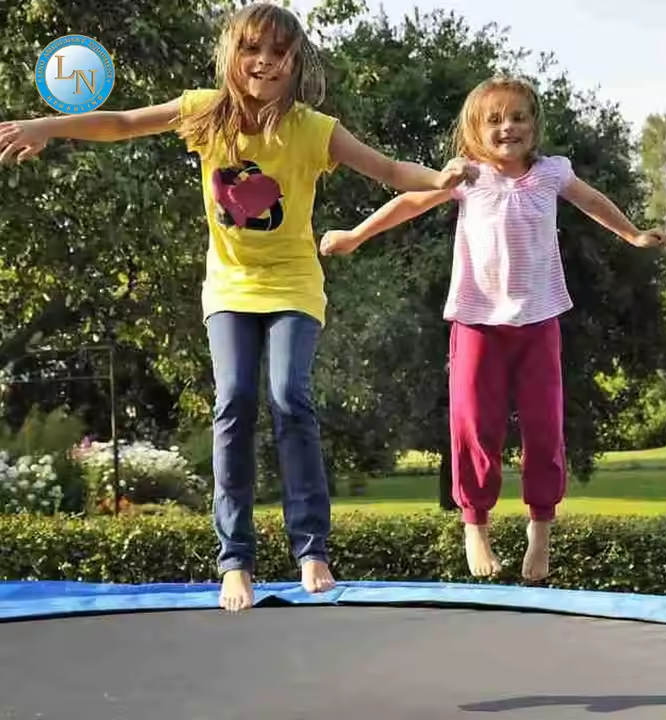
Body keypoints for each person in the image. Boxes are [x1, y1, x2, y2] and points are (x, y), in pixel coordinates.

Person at [0, 3, 477, 610]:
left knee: (289, 396)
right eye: (253, 50)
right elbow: (122, 122)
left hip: (294, 283)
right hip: (229, 286)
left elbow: (385, 168)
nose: (265, 63)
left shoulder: (314, 129)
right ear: (233, 55)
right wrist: (47, 125)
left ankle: (312, 550)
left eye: (278, 53)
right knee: (234, 401)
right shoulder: (205, 112)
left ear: (295, 63)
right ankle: (235, 561)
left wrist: (437, 179)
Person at [319, 76, 666, 583]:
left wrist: (633, 234)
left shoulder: (552, 173)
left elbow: (593, 201)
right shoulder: (467, 176)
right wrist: (356, 235)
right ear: (475, 131)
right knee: (474, 426)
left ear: (534, 125)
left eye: (519, 117)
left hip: (539, 319)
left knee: (544, 429)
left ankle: (540, 530)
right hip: (477, 321)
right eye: (495, 120)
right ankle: (476, 525)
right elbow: (409, 202)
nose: (508, 127)